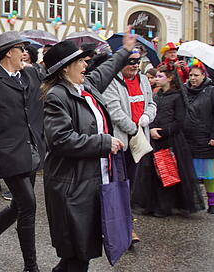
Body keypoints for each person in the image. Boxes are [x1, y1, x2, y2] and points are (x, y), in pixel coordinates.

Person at [41, 36, 133, 272]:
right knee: (78, 253)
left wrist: (125, 51)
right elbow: (60, 140)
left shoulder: (86, 86)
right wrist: (103, 143)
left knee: (80, 252)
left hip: (92, 182)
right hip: (72, 187)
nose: (86, 65)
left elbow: (107, 69)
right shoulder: (57, 96)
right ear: (65, 68)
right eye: (80, 61)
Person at [0, 30, 45, 272]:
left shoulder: (30, 74)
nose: (25, 53)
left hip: (30, 150)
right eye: (21, 49)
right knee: (28, 205)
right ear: (8, 53)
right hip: (7, 154)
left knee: (18, 206)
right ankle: (31, 266)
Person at [132, 66, 205, 217]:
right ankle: (152, 204)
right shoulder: (156, 95)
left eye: (160, 76)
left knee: (167, 172)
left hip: (170, 140)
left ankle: (165, 206)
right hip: (154, 139)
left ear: (170, 78)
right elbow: (150, 113)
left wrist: (163, 132)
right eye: (156, 76)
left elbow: (180, 121)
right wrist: (151, 128)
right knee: (152, 173)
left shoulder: (178, 96)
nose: (156, 79)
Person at [101, 46, 156, 243]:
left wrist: (146, 117)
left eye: (137, 61)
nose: (134, 65)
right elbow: (114, 111)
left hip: (139, 140)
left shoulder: (143, 80)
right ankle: (124, 228)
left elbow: (152, 103)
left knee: (131, 185)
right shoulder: (112, 82)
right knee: (119, 185)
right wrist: (133, 129)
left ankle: (125, 224)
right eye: (130, 61)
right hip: (122, 142)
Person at [182, 61, 214, 215]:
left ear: (203, 76)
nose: (193, 78)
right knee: (188, 174)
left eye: (196, 75)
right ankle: (190, 203)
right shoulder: (184, 91)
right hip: (188, 140)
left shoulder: (213, 91)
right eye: (191, 75)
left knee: (209, 174)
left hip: (206, 139)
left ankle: (213, 203)